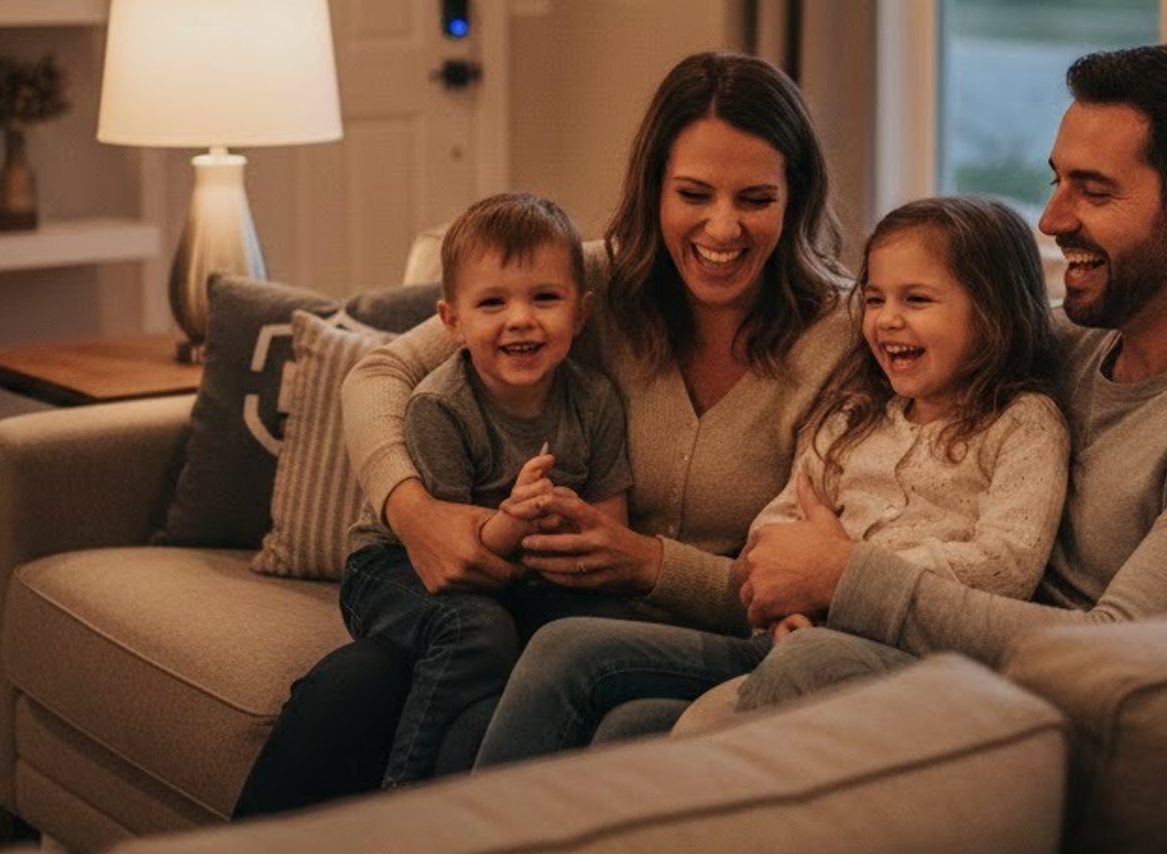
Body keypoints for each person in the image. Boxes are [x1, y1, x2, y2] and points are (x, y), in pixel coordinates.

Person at [232, 50, 853, 814]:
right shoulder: (589, 284)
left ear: (795, 198)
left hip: (650, 628)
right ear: (654, 189)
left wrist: (649, 563)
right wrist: (415, 514)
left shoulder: (842, 337)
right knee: (347, 689)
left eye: (755, 198)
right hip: (538, 596)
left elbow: (803, 581)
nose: (722, 227)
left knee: (471, 718)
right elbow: (378, 374)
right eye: (693, 194)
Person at [726, 42, 1167, 716]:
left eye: (1094, 191)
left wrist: (843, 577)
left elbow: (1120, 653)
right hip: (915, 658)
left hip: (1053, 722)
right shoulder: (1065, 344)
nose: (1052, 220)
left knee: (808, 670)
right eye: (1057, 182)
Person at [474, 195, 1072, 762]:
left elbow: (1006, 565)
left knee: (659, 693)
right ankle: (484, 830)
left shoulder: (1022, 424)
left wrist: (845, 575)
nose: (887, 320)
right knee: (599, 687)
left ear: (993, 313)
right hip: (783, 636)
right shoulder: (852, 418)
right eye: (874, 299)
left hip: (899, 654)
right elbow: (775, 528)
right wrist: (784, 596)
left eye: (916, 300)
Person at [340, 192, 632, 787]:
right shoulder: (439, 407)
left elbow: (611, 529)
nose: (520, 319)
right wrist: (517, 519)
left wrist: (578, 533)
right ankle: (406, 801)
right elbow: (457, 554)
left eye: (544, 298)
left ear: (580, 314)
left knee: (602, 630)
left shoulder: (596, 399)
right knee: (477, 631)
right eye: (493, 302)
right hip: (397, 565)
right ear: (452, 322)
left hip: (523, 569)